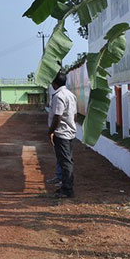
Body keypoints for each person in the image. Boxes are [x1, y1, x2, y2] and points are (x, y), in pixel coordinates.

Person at [48, 70, 77, 198]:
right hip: (69, 132)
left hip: (61, 133)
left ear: (54, 83)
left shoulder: (59, 96)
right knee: (66, 161)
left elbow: (57, 117)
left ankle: (67, 189)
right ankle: (65, 187)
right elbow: (74, 115)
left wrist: (51, 131)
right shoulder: (71, 95)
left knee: (65, 162)